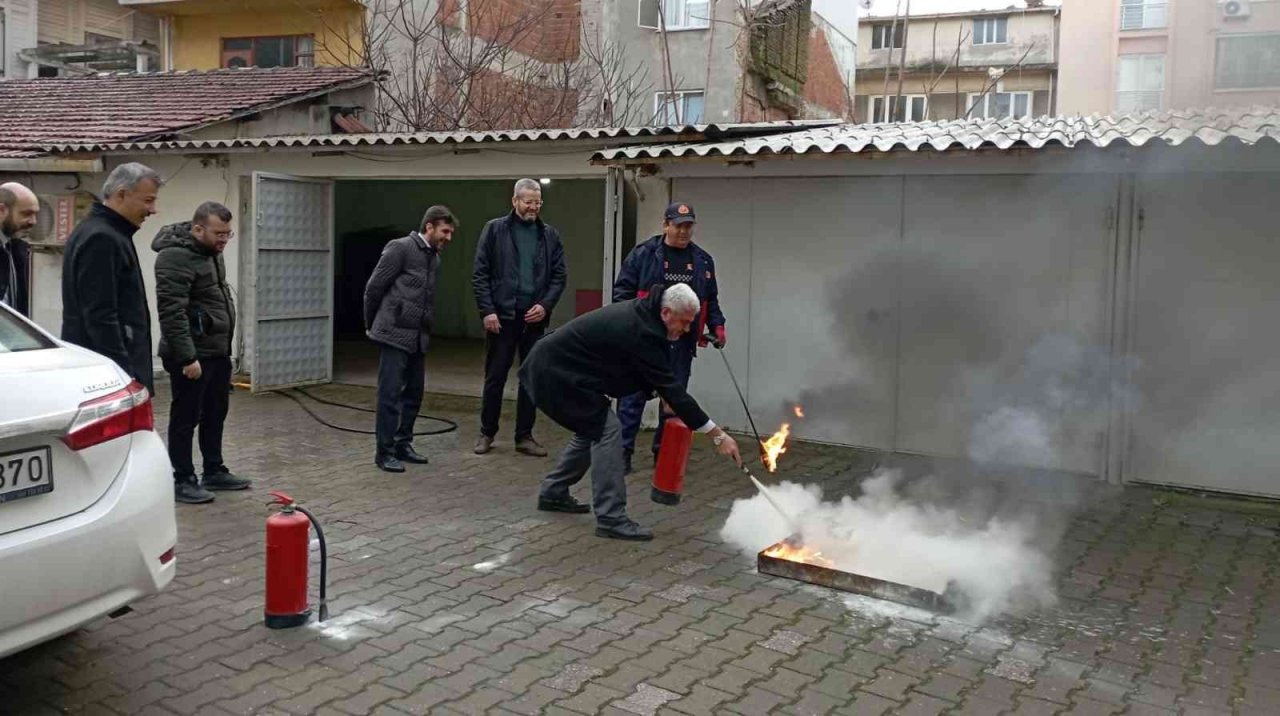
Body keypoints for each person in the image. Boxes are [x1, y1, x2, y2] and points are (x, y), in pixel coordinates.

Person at [520, 283, 742, 541]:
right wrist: (717, 435)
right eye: (684, 322)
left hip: (563, 370)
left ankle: (553, 492)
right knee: (607, 430)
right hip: (553, 374)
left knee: (591, 429)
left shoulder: (648, 317)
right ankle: (611, 518)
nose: (686, 330)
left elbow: (649, 372)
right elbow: (670, 386)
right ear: (667, 312)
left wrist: (662, 391)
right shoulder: (642, 329)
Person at [613, 202, 726, 474]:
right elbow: (622, 293)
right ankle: (621, 455)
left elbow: (710, 299)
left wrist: (717, 325)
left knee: (673, 402)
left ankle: (663, 455)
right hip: (645, 340)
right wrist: (630, 327)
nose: (684, 231)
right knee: (632, 399)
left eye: (689, 226)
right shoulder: (644, 254)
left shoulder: (702, 260)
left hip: (682, 342)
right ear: (665, 225)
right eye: (678, 226)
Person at [154, 202, 251, 504]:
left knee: (215, 412)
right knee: (186, 416)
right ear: (197, 229)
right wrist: (187, 358)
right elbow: (172, 312)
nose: (224, 239)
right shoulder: (174, 257)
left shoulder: (211, 253)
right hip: (191, 355)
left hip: (216, 351)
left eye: (228, 233)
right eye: (218, 233)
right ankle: (182, 478)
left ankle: (214, 470)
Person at [471, 178, 567, 458]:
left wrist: (546, 305)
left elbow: (559, 276)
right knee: (495, 377)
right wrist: (487, 310)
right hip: (501, 318)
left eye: (537, 202)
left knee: (530, 378)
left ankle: (524, 436)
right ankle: (487, 432)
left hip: (534, 320)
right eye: (528, 202)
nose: (533, 207)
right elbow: (480, 274)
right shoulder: (494, 230)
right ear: (514, 201)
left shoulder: (550, 235)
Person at [364, 205, 456, 473]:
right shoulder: (400, 247)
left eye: (450, 233)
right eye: (445, 231)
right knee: (389, 395)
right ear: (429, 227)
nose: (448, 237)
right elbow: (374, 288)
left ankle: (404, 444)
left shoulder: (434, 258)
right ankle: (385, 452)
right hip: (393, 334)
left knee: (413, 394)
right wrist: (374, 324)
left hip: (418, 337)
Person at [62, 163, 162, 393]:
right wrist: (125, 376)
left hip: (107, 372)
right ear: (122, 194)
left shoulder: (108, 232)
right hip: (109, 378)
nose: (153, 209)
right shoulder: (102, 238)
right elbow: (101, 315)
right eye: (148, 200)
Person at [0, 183, 39, 317]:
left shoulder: (17, 249)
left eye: (35, 214)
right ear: (1, 210)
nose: (33, 221)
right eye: (26, 214)